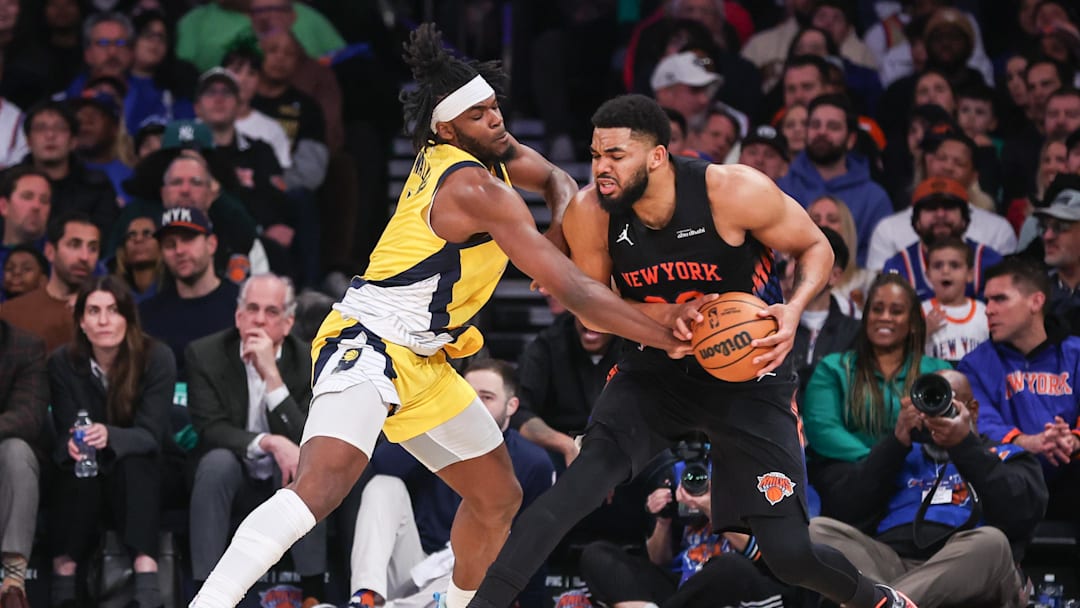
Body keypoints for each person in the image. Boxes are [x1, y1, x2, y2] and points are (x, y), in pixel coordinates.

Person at [189, 25, 689, 608]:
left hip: (425, 358)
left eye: (495, 106)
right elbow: (573, 293)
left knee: (498, 498)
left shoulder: (487, 150)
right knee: (321, 485)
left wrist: (559, 225)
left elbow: (557, 178)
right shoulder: (475, 188)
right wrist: (662, 332)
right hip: (370, 341)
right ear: (447, 128)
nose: (496, 120)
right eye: (479, 115)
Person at [467, 93, 918, 608]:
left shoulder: (732, 189)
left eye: (616, 155)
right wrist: (663, 318)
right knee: (568, 498)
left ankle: (875, 600)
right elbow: (592, 307)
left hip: (748, 374)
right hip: (654, 372)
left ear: (657, 156)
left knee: (788, 555)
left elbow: (815, 245)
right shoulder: (592, 211)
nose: (601, 169)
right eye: (595, 156)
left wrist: (792, 310)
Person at [809, 369, 1046, 607]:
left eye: (945, 400)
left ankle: (886, 601)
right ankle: (893, 601)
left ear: (972, 409)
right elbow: (848, 508)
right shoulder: (902, 454)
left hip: (965, 565)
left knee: (992, 542)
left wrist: (965, 447)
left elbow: (1021, 515)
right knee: (817, 530)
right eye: (928, 401)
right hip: (891, 564)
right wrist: (896, 441)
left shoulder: (1006, 454)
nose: (935, 410)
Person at [347, 359, 554, 608]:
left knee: (499, 542)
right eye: (467, 396)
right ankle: (366, 597)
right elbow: (381, 463)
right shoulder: (436, 434)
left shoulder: (533, 461)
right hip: (415, 563)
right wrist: (434, 425)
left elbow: (534, 541)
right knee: (384, 486)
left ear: (512, 406)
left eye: (486, 397)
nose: (475, 406)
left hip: (468, 577)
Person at [186, 273, 328, 605]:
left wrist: (272, 376)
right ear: (238, 317)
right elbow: (210, 428)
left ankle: (313, 595)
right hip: (234, 470)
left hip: (286, 475)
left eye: (271, 311)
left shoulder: (310, 361)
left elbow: (307, 436)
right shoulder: (205, 354)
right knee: (215, 463)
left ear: (288, 322)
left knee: (310, 466)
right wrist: (269, 442)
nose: (260, 320)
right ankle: (203, 595)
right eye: (252, 309)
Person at [47, 275, 177, 608]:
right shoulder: (62, 362)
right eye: (93, 311)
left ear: (128, 318)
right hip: (90, 476)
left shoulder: (156, 357)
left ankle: (147, 582)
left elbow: (151, 435)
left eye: (113, 310)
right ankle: (65, 580)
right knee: (77, 469)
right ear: (81, 320)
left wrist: (108, 435)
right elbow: (61, 432)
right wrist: (71, 446)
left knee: (135, 462)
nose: (104, 321)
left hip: (148, 469)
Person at [578, 448, 797, 608]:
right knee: (597, 554)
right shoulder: (682, 470)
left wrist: (712, 509)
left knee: (730, 567)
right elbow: (659, 560)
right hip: (686, 586)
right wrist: (663, 519)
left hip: (739, 588)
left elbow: (761, 555)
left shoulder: (766, 478)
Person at [957, 257, 1080, 523]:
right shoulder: (975, 364)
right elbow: (982, 421)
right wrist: (1027, 443)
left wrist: (1073, 440)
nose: (988, 310)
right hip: (1008, 477)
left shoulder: (1076, 353)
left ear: (1036, 302)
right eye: (987, 300)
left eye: (999, 299)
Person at [803, 273, 952, 466]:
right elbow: (822, 428)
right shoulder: (834, 368)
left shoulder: (937, 371)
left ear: (913, 324)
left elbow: (953, 430)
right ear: (866, 318)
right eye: (877, 310)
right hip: (851, 474)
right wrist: (878, 461)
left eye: (896, 311)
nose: (884, 317)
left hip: (918, 474)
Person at [776, 93, 892, 266]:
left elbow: (877, 264)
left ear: (851, 140)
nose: (822, 132)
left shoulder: (874, 198)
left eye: (833, 126)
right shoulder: (782, 189)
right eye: (815, 125)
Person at [139, 206, 240, 380]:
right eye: (170, 244)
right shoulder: (145, 315)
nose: (179, 250)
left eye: (188, 239)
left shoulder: (243, 306)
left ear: (211, 244)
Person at [881, 177, 1003, 301]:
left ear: (964, 218)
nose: (940, 214)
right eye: (931, 208)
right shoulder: (898, 266)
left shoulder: (990, 262)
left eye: (949, 207)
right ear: (916, 220)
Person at [0, 211, 99, 353]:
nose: (85, 257)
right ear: (50, 251)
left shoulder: (109, 314)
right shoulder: (10, 314)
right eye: (74, 245)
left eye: (93, 248)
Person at [0, 319, 47, 608]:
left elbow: (29, 416)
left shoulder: (25, 346)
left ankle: (13, 584)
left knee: (17, 451)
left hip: (3, 452)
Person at [792, 226, 859, 401]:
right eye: (796, 258)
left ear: (835, 276)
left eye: (810, 261)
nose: (799, 268)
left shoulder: (856, 333)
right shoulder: (770, 325)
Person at [921, 238, 989, 363]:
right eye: (938, 266)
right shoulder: (920, 312)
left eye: (954, 265)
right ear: (928, 275)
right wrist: (922, 332)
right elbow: (904, 355)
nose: (945, 271)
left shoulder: (984, 312)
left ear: (970, 275)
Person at [0, 166, 51, 286]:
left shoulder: (61, 258)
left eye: (44, 200)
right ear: (4, 206)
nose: (37, 206)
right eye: (27, 197)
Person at [111, 214, 163, 303]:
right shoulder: (113, 294)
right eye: (131, 235)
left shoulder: (176, 289)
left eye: (147, 234)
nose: (138, 239)